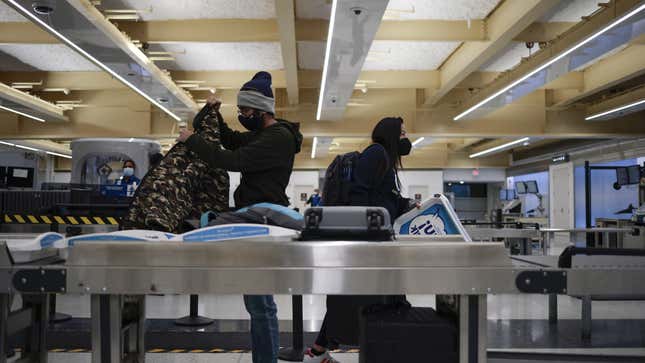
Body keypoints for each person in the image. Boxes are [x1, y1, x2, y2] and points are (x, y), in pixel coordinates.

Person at [176, 71, 303, 363]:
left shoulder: (278, 138)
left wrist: (192, 141)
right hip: (253, 219)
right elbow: (231, 140)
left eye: (246, 111)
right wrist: (212, 114)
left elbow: (233, 160)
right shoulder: (264, 134)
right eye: (240, 111)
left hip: (263, 221)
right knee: (257, 301)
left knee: (260, 304)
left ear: (262, 111)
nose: (242, 116)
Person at [304, 117, 415, 363]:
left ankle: (318, 352)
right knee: (372, 294)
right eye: (403, 133)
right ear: (390, 135)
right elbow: (360, 194)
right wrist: (367, 233)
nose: (406, 138)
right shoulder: (377, 153)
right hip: (367, 240)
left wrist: (405, 204)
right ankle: (322, 351)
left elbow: (382, 197)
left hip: (374, 238)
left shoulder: (384, 158)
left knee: (356, 294)